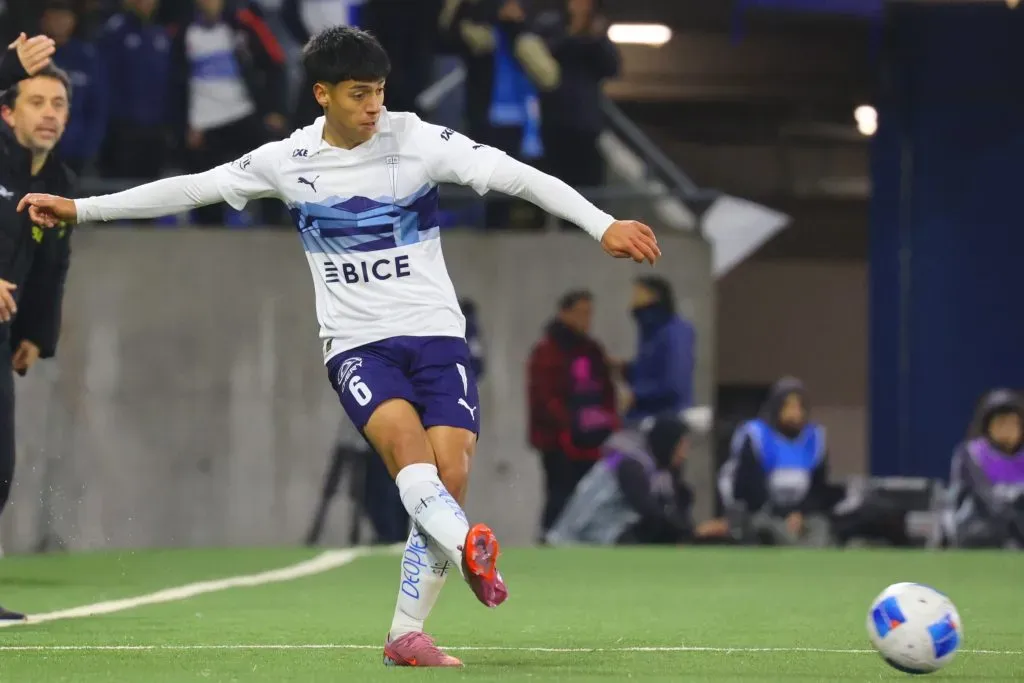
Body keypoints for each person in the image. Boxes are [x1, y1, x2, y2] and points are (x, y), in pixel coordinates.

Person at [18, 26, 659, 666]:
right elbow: (190, 188)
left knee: (452, 473)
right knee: (409, 455)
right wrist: (82, 208)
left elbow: (516, 176)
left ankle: (408, 630)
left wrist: (602, 224)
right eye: (358, 94)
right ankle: (467, 548)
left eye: (379, 91)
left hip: (436, 336)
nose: (373, 106)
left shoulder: (416, 140)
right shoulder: (288, 161)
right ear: (322, 94)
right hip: (358, 346)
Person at [0, 33, 73, 621]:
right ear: (7, 112)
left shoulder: (58, 181)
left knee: (0, 465)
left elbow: (52, 263)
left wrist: (36, 332)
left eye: (59, 104)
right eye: (36, 102)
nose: (50, 114)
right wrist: (4, 66)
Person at [527, 289, 617, 540]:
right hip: (559, 441)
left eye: (589, 313)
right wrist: (569, 425)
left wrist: (607, 423)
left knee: (589, 495)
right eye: (580, 313)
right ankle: (550, 540)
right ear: (564, 313)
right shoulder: (547, 351)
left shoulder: (592, 349)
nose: (585, 319)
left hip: (593, 440)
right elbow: (544, 397)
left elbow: (606, 390)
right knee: (560, 494)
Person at [717, 377, 834, 546]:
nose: (795, 413)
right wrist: (783, 514)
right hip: (764, 513)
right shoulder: (756, 437)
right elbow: (749, 490)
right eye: (789, 406)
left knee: (820, 527)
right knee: (771, 530)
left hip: (801, 515)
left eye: (799, 407)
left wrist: (799, 513)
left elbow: (818, 488)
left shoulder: (813, 440)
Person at [944, 389, 1024, 548]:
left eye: (1013, 424)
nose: (1008, 429)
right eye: (1001, 423)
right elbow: (987, 497)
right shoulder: (971, 454)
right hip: (979, 526)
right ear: (988, 426)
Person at [618, 276, 695, 422]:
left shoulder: (676, 331)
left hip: (667, 420)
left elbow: (675, 382)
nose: (632, 300)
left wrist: (635, 395)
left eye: (638, 293)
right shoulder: (650, 330)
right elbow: (650, 371)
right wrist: (625, 369)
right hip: (645, 416)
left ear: (654, 296)